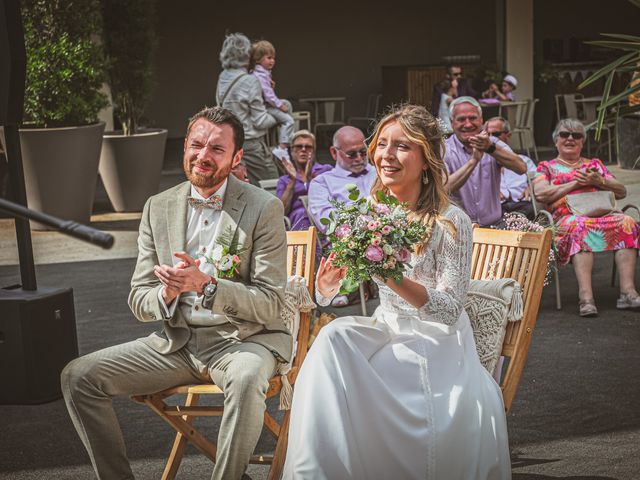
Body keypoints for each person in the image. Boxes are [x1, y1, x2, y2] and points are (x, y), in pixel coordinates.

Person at [61, 107, 291, 480]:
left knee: (248, 379)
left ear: (236, 158)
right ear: (184, 147)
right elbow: (139, 298)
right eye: (197, 145)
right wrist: (167, 294)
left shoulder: (263, 207)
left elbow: (270, 304)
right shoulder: (158, 207)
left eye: (217, 149)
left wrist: (207, 285)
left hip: (243, 341)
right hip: (177, 343)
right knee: (78, 376)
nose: (203, 155)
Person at [282, 104, 511, 479]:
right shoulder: (372, 210)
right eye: (382, 144)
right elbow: (331, 295)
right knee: (332, 338)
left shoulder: (452, 222)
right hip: (386, 327)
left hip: (437, 343)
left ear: (426, 158)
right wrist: (327, 287)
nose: (386, 155)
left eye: (402, 146)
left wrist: (389, 275)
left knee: (351, 360)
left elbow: (450, 310)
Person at [532, 118, 640, 317]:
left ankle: (628, 292)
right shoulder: (546, 167)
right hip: (568, 218)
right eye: (565, 134)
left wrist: (599, 180)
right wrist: (575, 183)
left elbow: (621, 191)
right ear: (556, 141)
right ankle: (586, 297)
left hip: (603, 214)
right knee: (579, 226)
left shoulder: (595, 164)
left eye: (577, 135)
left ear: (582, 141)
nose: (570, 138)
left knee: (628, 222)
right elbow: (541, 194)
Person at [445, 96, 526, 227]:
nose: (468, 124)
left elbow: (521, 168)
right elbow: (444, 188)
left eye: (472, 118)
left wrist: (490, 148)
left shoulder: (494, 144)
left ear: (481, 120)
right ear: (451, 122)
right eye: (461, 119)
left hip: (494, 227)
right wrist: (474, 161)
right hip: (458, 230)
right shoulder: (444, 149)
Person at [216, 33, 278, 186]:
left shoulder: (223, 76)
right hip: (251, 143)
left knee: (241, 186)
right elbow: (260, 121)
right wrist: (280, 116)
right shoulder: (251, 80)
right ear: (247, 55)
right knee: (271, 183)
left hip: (230, 141)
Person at [307, 125, 377, 232]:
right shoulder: (321, 183)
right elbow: (328, 224)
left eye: (363, 152)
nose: (359, 158)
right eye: (351, 154)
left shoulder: (379, 173)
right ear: (334, 153)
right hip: (348, 244)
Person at [276, 129, 331, 230]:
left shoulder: (325, 170)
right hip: (298, 220)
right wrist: (292, 182)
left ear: (313, 151)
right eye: (299, 146)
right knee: (303, 213)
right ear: (292, 151)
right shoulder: (284, 180)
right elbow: (281, 212)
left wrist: (312, 179)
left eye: (308, 147)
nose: (303, 149)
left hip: (323, 215)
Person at [485, 116, 537, 220]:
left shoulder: (523, 160)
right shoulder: (482, 162)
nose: (490, 138)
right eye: (487, 135)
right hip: (497, 206)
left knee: (531, 210)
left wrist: (531, 187)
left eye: (495, 134)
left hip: (522, 203)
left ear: (508, 135)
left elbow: (538, 178)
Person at [250, 40, 295, 149]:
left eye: (273, 58)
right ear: (258, 59)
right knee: (290, 121)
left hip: (267, 104)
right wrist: (280, 106)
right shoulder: (260, 76)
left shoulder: (262, 73)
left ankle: (287, 134)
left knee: (287, 104)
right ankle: (283, 146)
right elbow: (269, 96)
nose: (272, 61)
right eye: (269, 58)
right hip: (265, 107)